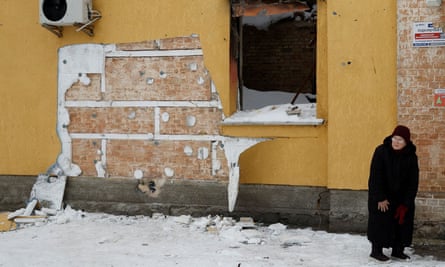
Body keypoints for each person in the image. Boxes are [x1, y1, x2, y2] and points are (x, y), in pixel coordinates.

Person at [367, 125, 419, 261]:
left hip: (401, 197)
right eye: (394, 138)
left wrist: (406, 203)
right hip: (382, 197)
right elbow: (375, 176)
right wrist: (380, 197)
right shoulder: (381, 152)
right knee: (380, 222)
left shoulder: (411, 157)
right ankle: (376, 251)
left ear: (406, 142)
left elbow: (413, 181)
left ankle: (398, 250)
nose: (396, 142)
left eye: (400, 140)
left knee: (402, 223)